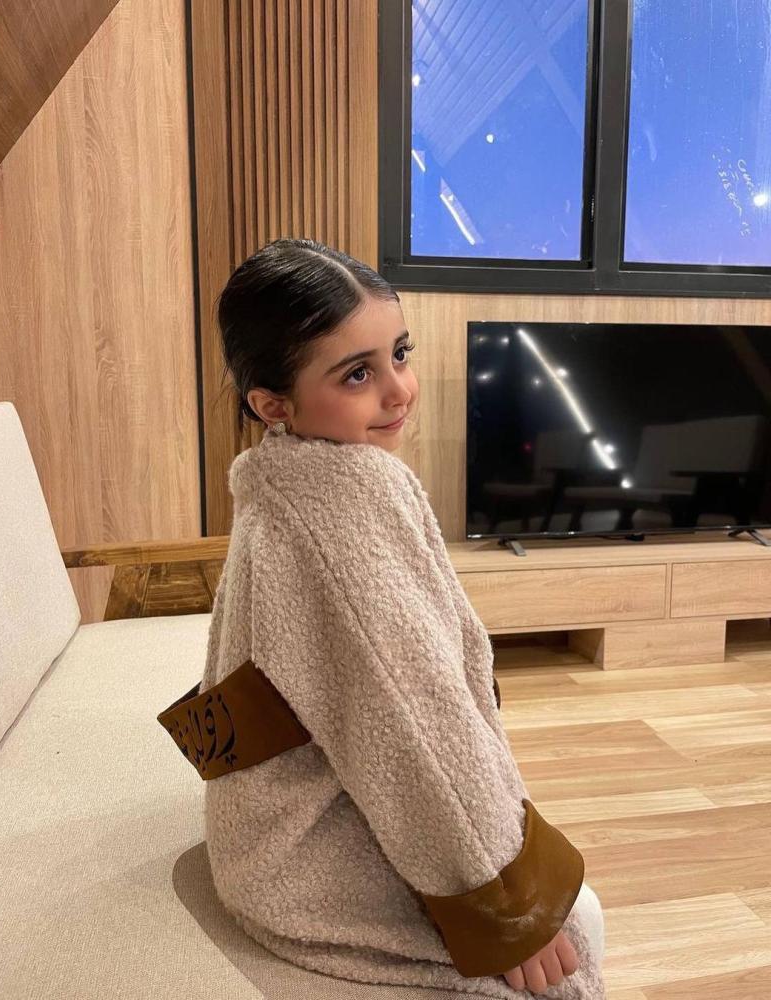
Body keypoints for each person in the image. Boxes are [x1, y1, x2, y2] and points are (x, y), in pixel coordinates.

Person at [200, 237, 606, 998]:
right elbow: (417, 725)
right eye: (357, 373)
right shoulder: (340, 518)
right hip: (304, 861)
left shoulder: (282, 482)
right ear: (273, 404)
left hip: (264, 832)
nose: (399, 391)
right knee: (574, 944)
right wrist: (507, 908)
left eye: (400, 354)